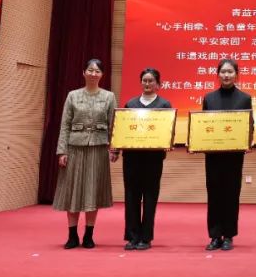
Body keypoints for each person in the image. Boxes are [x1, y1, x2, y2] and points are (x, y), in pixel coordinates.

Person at [54, 58, 119, 249]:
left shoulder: (109, 96)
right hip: (74, 147)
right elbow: (65, 125)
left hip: (98, 148)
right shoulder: (72, 95)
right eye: (90, 70)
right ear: (83, 72)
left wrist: (114, 149)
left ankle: (89, 235)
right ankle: (72, 235)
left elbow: (114, 125)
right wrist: (62, 151)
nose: (93, 73)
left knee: (93, 190)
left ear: (102, 74)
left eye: (97, 71)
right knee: (72, 191)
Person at [202, 58, 253, 252]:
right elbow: (203, 125)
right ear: (218, 74)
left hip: (234, 155)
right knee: (214, 193)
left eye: (230, 72)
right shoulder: (209, 98)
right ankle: (215, 235)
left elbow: (249, 124)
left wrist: (248, 139)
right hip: (213, 155)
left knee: (231, 193)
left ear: (236, 75)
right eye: (223, 72)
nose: (226, 75)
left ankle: (229, 235)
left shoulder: (244, 98)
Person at [119, 68, 172, 251]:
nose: (147, 84)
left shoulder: (164, 105)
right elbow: (123, 129)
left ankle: (146, 237)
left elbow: (168, 130)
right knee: (131, 196)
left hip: (153, 159)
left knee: (150, 197)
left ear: (158, 84)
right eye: (144, 80)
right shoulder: (130, 103)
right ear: (141, 83)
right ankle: (132, 236)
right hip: (131, 158)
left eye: (151, 81)